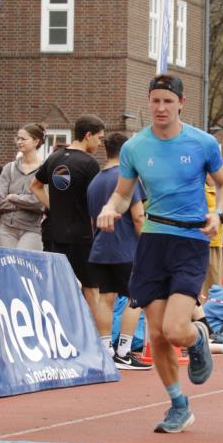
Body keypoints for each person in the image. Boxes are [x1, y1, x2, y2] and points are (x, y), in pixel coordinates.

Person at [97, 74, 223, 434]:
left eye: (168, 101)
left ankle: (197, 337)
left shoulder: (203, 143)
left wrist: (219, 214)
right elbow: (123, 193)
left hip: (190, 241)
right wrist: (110, 208)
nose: (160, 108)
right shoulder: (135, 147)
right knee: (156, 334)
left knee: (175, 330)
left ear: (181, 104)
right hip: (153, 241)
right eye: (155, 101)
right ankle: (178, 404)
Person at [87, 132, 151, 369]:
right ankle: (124, 352)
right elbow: (138, 217)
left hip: (101, 247)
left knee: (106, 299)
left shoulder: (95, 181)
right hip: (126, 248)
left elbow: (93, 219)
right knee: (136, 299)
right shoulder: (127, 179)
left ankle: (106, 350)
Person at [32, 115, 105, 319]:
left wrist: (55, 207)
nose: (99, 144)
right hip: (82, 236)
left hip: (55, 233)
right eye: (99, 138)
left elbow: (35, 186)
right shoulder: (90, 164)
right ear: (88, 135)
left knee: (56, 286)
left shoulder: (54, 157)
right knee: (92, 288)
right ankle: (95, 334)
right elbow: (96, 202)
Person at [0, 123, 46, 251]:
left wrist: (14, 198)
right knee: (10, 263)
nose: (19, 142)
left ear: (36, 141)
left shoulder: (45, 170)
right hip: (7, 229)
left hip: (32, 230)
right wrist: (26, 203)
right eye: (17, 138)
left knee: (23, 261)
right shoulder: (9, 168)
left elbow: (40, 203)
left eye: (23, 139)